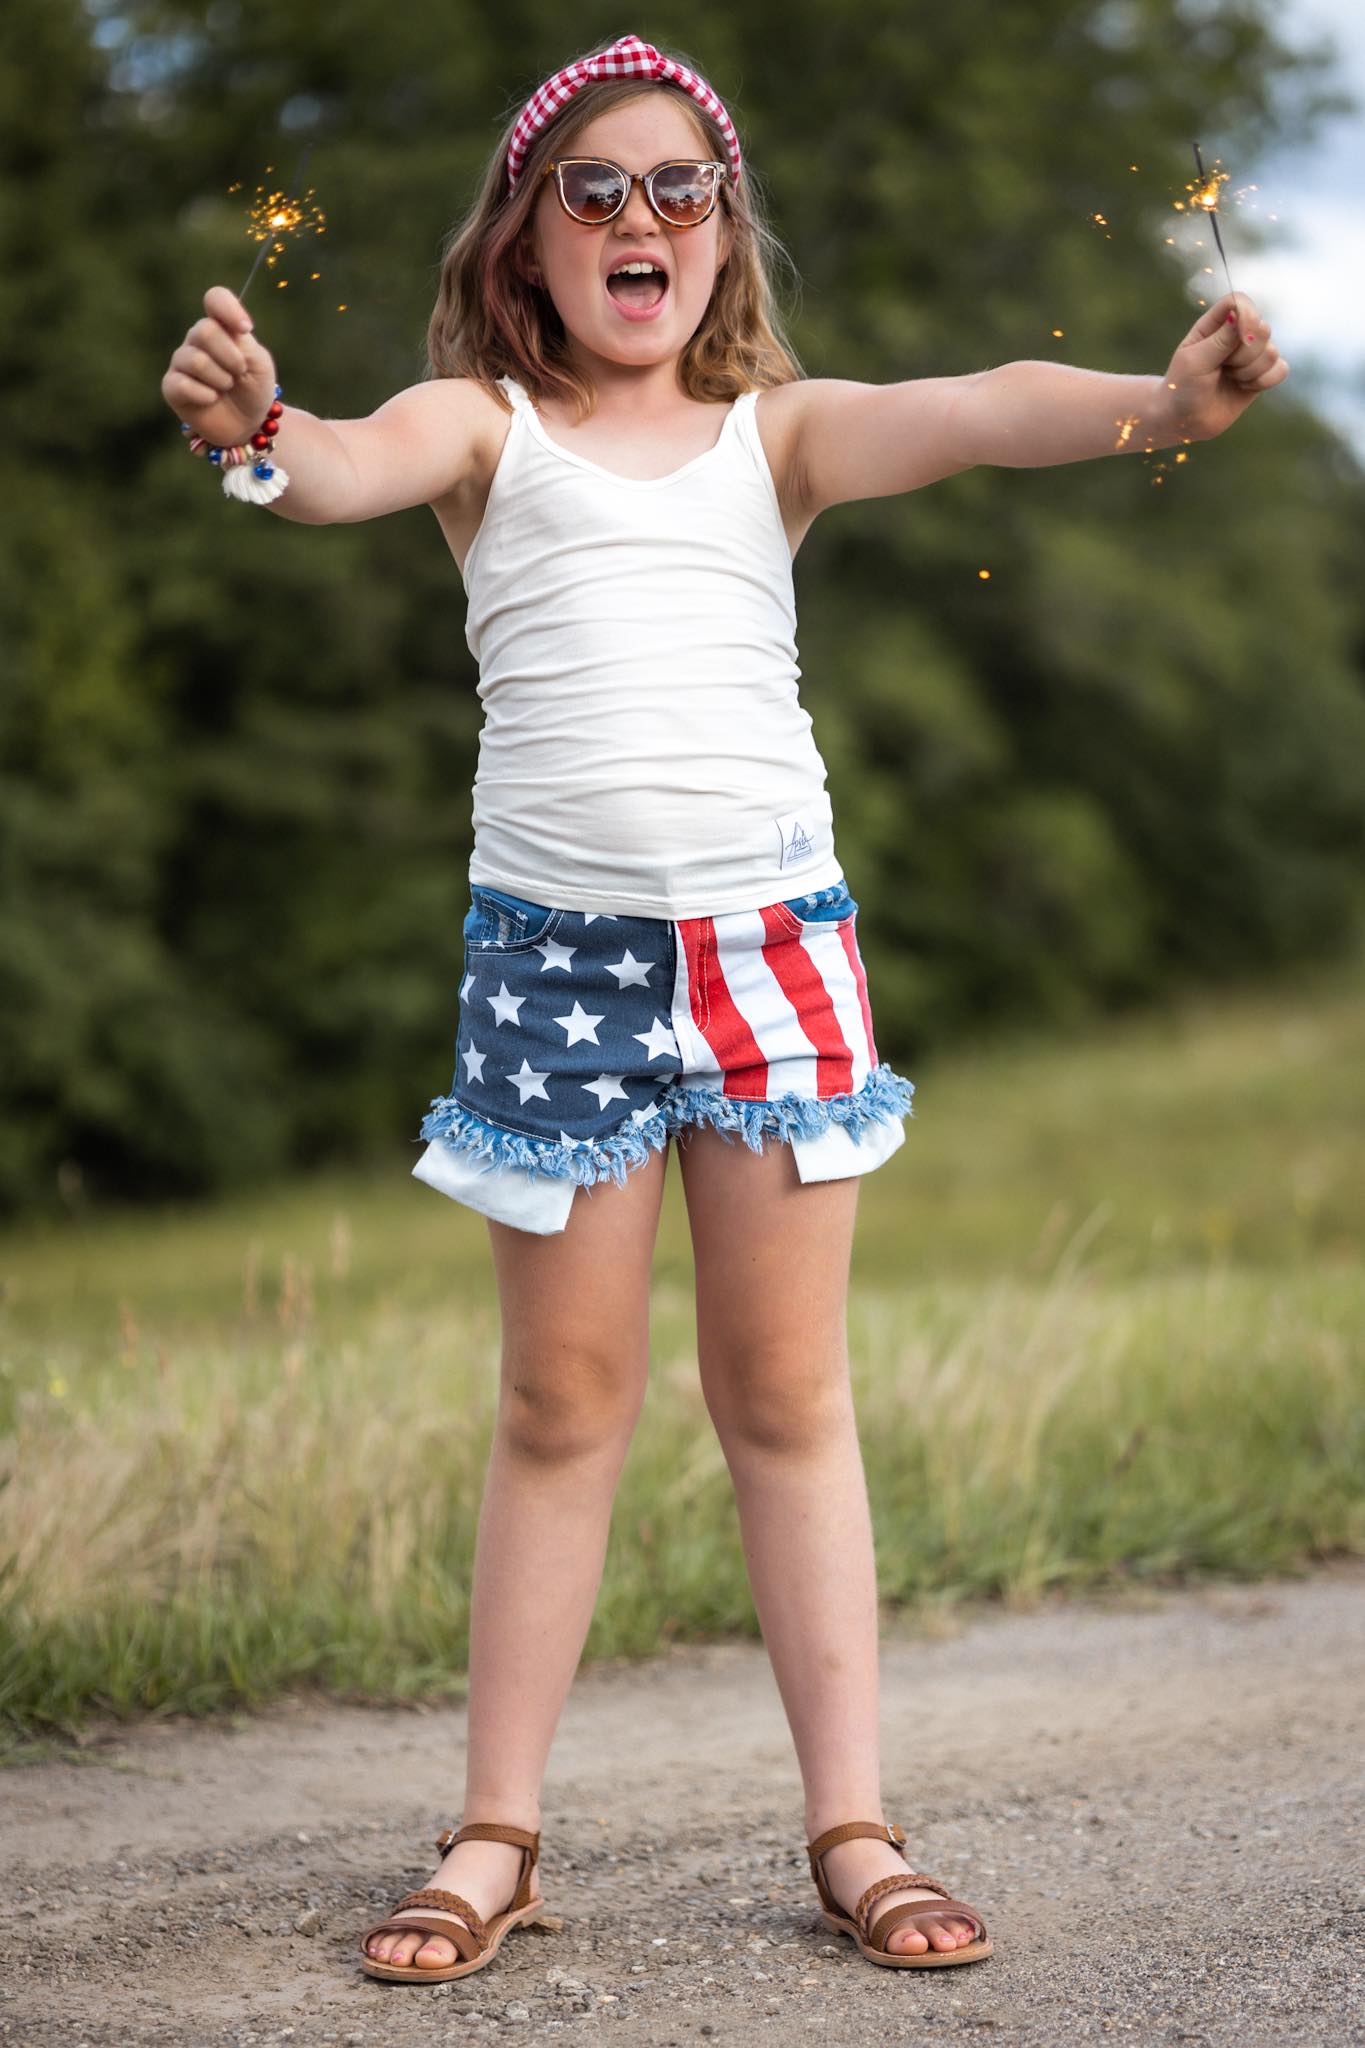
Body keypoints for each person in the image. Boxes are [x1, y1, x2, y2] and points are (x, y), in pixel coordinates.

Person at [161, 32, 1288, 1986]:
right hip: (559, 970)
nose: (637, 217)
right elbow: (337, 464)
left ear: (720, 235)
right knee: (556, 1404)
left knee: (780, 1396)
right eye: (590, 187)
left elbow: (975, 405)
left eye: (678, 187)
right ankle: (495, 1832)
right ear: (524, 243)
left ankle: (849, 1823)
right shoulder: (481, 428)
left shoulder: (774, 433)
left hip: (769, 958)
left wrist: (1160, 405)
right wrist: (254, 432)